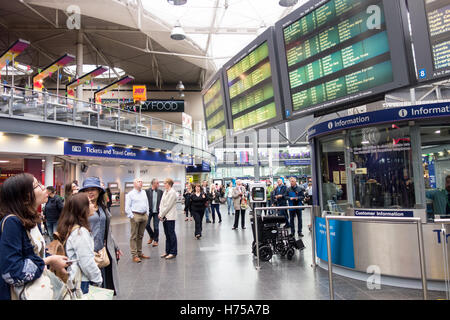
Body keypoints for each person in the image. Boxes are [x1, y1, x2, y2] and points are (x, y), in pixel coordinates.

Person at [0, 173, 68, 300]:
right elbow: (12, 271)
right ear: (25, 197)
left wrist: (52, 259)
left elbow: (34, 255)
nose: (44, 188)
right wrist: (49, 261)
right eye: (38, 185)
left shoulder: (30, 219)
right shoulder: (12, 222)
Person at [79, 177, 122, 294]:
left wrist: (115, 246)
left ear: (99, 192)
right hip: (87, 252)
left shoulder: (102, 207)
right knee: (89, 283)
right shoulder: (80, 208)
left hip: (102, 251)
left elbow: (107, 230)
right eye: (87, 190)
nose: (90, 192)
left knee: (103, 282)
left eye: (93, 189)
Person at [56, 193, 102, 294]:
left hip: (75, 278)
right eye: (89, 203)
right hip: (82, 281)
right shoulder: (80, 232)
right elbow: (86, 262)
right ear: (82, 208)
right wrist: (98, 278)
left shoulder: (71, 227)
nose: (93, 205)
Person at [125, 178, 150, 263]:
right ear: (134, 184)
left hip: (144, 215)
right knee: (134, 236)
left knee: (140, 235)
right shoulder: (130, 194)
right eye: (139, 181)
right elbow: (127, 207)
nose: (141, 183)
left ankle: (139, 253)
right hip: (135, 215)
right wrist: (132, 216)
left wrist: (147, 213)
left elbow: (146, 203)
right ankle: (134, 255)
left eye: (141, 181)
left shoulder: (143, 192)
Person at [159, 178, 178, 260]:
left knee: (171, 234)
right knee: (167, 235)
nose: (164, 184)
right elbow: (161, 203)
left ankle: (173, 252)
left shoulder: (172, 192)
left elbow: (168, 206)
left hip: (170, 217)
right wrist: (160, 214)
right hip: (164, 216)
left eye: (165, 183)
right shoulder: (165, 192)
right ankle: (167, 251)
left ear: (169, 184)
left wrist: (161, 214)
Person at [145, 178, 163, 247]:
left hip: (157, 212)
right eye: (157, 183)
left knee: (156, 226)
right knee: (146, 225)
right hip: (149, 211)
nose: (158, 184)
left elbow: (162, 202)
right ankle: (152, 236)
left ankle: (156, 240)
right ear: (153, 184)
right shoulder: (147, 191)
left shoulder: (160, 192)